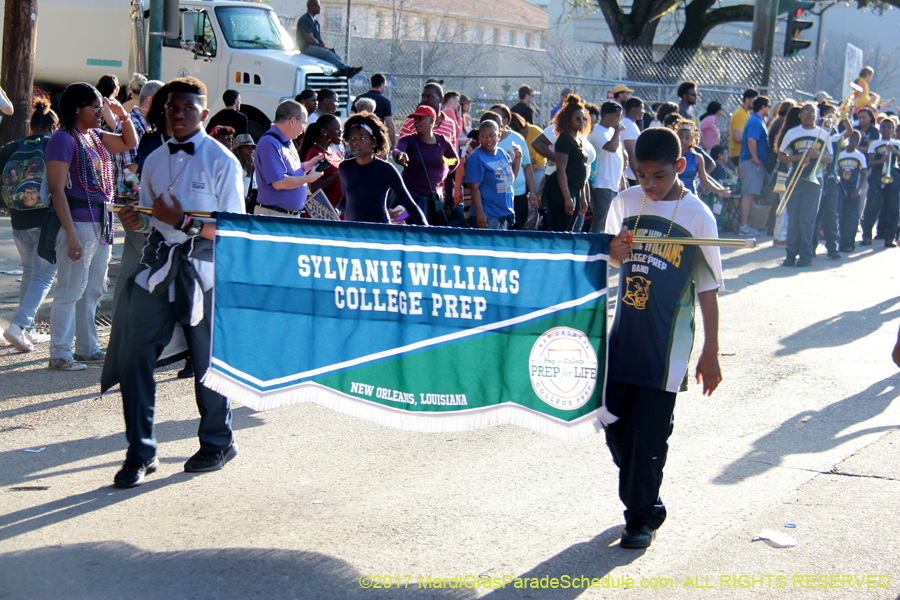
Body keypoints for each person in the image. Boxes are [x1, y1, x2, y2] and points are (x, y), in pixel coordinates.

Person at [108, 76, 245, 488]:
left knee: (207, 365)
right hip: (158, 268)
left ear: (203, 113)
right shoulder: (153, 161)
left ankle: (217, 441)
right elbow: (148, 216)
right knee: (135, 356)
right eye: (172, 108)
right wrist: (133, 218)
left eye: (188, 108)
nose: (179, 114)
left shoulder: (223, 162)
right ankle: (140, 452)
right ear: (163, 112)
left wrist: (184, 222)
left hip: (203, 273)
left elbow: (234, 230)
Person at [604, 126, 723, 549]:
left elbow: (708, 290)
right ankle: (643, 492)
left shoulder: (698, 217)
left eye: (658, 176)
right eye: (641, 175)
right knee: (615, 426)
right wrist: (611, 255)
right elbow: (604, 266)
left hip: (665, 350)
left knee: (647, 435)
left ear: (680, 166)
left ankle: (640, 517)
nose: (649, 185)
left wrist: (711, 350)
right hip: (623, 341)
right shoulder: (624, 203)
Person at [42, 82, 136, 370]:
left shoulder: (94, 136)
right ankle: (59, 353)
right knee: (70, 289)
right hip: (78, 222)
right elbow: (57, 190)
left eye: (100, 107)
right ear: (76, 109)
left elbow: (128, 142)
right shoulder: (62, 139)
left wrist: (123, 116)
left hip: (101, 221)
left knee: (93, 287)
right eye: (94, 107)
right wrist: (70, 233)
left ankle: (87, 348)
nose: (99, 112)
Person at [0, 101, 59, 352]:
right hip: (43, 221)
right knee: (44, 275)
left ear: (32, 126)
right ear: (52, 127)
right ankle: (19, 325)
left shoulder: (12, 148)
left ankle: (29, 330)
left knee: (29, 272)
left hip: (17, 219)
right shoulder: (51, 145)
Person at [338, 113, 425, 225]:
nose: (355, 142)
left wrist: (426, 231)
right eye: (351, 138)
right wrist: (337, 210)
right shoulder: (345, 167)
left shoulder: (386, 169)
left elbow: (410, 205)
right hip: (352, 234)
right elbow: (345, 200)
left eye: (361, 138)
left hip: (380, 234)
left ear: (374, 142)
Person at [778, 103, 833, 267]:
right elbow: (781, 155)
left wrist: (817, 155)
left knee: (808, 218)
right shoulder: (792, 133)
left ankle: (806, 255)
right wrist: (797, 158)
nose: (810, 114)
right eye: (807, 111)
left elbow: (830, 158)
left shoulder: (823, 134)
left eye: (813, 112)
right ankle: (790, 254)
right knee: (793, 217)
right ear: (800, 114)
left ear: (817, 116)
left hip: (814, 179)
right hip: (795, 177)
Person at [254, 100, 324, 217]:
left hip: (286, 215)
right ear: (292, 121)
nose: (303, 129)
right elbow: (279, 183)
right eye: (303, 123)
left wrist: (307, 165)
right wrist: (307, 178)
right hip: (274, 215)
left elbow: (290, 171)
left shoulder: (288, 141)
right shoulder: (269, 143)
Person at [392, 105, 459, 225]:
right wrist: (400, 156)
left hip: (432, 204)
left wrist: (442, 173)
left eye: (421, 118)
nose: (416, 121)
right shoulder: (408, 140)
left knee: (433, 238)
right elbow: (397, 151)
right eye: (415, 118)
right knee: (403, 233)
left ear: (432, 121)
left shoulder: (442, 142)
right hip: (408, 202)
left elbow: (454, 161)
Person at [544, 95, 590, 232]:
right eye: (577, 118)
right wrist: (567, 198)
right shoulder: (564, 140)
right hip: (560, 192)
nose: (581, 121)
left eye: (584, 119)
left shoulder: (578, 139)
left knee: (569, 229)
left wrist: (582, 197)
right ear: (568, 120)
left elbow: (580, 170)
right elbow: (560, 170)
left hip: (574, 190)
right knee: (561, 230)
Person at [464, 120, 521, 229]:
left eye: (492, 135)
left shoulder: (502, 153)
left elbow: (510, 178)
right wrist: (480, 215)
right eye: (484, 136)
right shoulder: (476, 157)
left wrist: (518, 158)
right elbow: (473, 188)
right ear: (479, 138)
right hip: (487, 216)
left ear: (498, 136)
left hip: (503, 215)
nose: (488, 139)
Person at [489, 106, 536, 231]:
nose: (491, 120)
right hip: (494, 197)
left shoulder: (517, 139)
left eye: (496, 117)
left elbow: (527, 166)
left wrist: (533, 192)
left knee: (516, 231)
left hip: (517, 194)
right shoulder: (485, 138)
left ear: (505, 120)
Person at [296, 0, 361, 77]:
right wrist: (320, 45)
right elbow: (309, 38)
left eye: (319, 6)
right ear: (309, 6)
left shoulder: (316, 22)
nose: (319, 8)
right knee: (327, 53)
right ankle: (346, 70)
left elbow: (318, 37)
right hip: (307, 47)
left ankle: (342, 71)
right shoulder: (305, 20)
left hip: (314, 46)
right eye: (317, 6)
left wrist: (322, 43)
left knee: (334, 55)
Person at [861, 117, 900, 247]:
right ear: (880, 129)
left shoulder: (897, 144)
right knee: (872, 206)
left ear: (893, 130)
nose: (886, 129)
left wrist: (895, 153)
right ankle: (867, 236)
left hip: (893, 175)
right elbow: (870, 164)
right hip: (877, 175)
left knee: (893, 207)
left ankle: (890, 238)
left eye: (889, 127)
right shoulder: (875, 144)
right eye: (884, 127)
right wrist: (881, 160)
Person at [588, 101, 626, 233]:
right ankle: (593, 251)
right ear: (607, 116)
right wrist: (617, 131)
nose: (619, 120)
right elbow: (611, 147)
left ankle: (605, 250)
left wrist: (622, 180)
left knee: (611, 222)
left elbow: (618, 156)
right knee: (601, 221)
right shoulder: (597, 131)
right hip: (602, 183)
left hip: (613, 184)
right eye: (617, 116)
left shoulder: (611, 132)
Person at [737, 96, 771, 236]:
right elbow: (751, 140)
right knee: (748, 194)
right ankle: (743, 226)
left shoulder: (758, 120)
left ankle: (747, 225)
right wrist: (756, 158)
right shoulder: (755, 121)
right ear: (763, 107)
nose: (769, 108)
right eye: (768, 106)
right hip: (750, 162)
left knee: (751, 194)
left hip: (753, 163)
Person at [674, 119, 729, 201]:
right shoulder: (670, 156)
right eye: (680, 137)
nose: (683, 140)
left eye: (687, 138)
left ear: (692, 140)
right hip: (671, 197)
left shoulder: (697, 158)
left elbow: (704, 180)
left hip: (689, 197)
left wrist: (718, 191)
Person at [298, 114, 343, 208]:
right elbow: (313, 187)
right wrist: (338, 174)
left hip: (338, 211)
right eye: (337, 128)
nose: (340, 132)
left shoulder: (335, 152)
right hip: (323, 213)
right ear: (324, 131)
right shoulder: (315, 153)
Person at [836, 130, 867, 252]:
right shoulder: (840, 155)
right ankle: (842, 242)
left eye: (856, 141)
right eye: (851, 140)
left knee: (852, 217)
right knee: (841, 216)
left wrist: (858, 189)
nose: (853, 143)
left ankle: (849, 243)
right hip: (841, 190)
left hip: (854, 190)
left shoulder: (859, 156)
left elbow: (863, 175)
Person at [356, 74, 395, 147]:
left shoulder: (359, 98)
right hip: (377, 137)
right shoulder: (385, 101)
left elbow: (351, 115)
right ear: (381, 85)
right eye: (385, 86)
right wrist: (393, 143)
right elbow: (390, 124)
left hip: (359, 136)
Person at [729, 89, 758, 166]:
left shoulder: (746, 114)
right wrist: (754, 140)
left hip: (742, 155)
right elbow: (737, 136)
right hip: (738, 155)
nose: (756, 104)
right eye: (754, 100)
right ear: (747, 100)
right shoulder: (740, 114)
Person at [233, 133, 257, 213]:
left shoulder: (256, 169)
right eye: (247, 148)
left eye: (253, 149)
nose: (251, 151)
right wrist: (249, 174)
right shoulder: (235, 169)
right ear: (237, 150)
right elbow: (242, 196)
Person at [621, 98, 643, 187]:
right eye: (642, 109)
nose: (643, 112)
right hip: (630, 175)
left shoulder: (632, 124)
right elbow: (631, 152)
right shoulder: (628, 125)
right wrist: (637, 176)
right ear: (634, 110)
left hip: (632, 174)